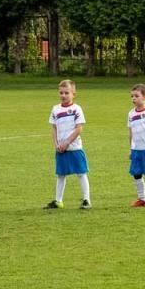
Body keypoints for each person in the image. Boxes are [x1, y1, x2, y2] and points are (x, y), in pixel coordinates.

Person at [47, 79, 90, 209]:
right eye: (61, 93)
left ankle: (86, 200)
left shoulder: (76, 109)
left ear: (73, 94)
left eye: (67, 93)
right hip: (61, 149)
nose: (63, 95)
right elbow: (54, 128)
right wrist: (56, 145)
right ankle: (58, 201)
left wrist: (67, 142)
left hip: (75, 147)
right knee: (61, 174)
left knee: (81, 173)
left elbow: (79, 128)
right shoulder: (55, 109)